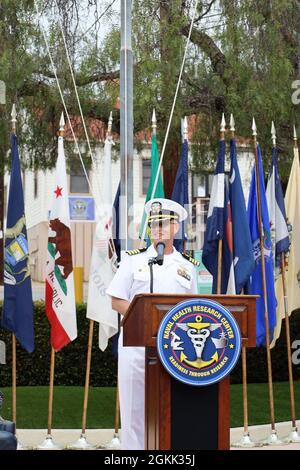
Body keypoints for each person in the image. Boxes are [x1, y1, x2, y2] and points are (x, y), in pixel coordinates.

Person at [106, 198, 199, 450]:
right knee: (134, 408)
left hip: (173, 349)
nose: (158, 229)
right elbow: (116, 300)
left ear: (176, 227)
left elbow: (194, 309)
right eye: (154, 224)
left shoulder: (187, 267)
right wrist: (145, 321)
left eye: (164, 224)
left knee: (168, 407)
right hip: (136, 348)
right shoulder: (132, 260)